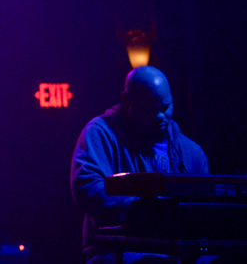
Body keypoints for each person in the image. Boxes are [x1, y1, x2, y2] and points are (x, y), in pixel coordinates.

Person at [70, 66, 209, 264]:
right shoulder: (101, 133)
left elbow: (203, 211)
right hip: (117, 251)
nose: (160, 116)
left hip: (176, 252)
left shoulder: (192, 153)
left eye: (165, 107)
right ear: (127, 101)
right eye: (149, 109)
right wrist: (147, 211)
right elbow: (88, 189)